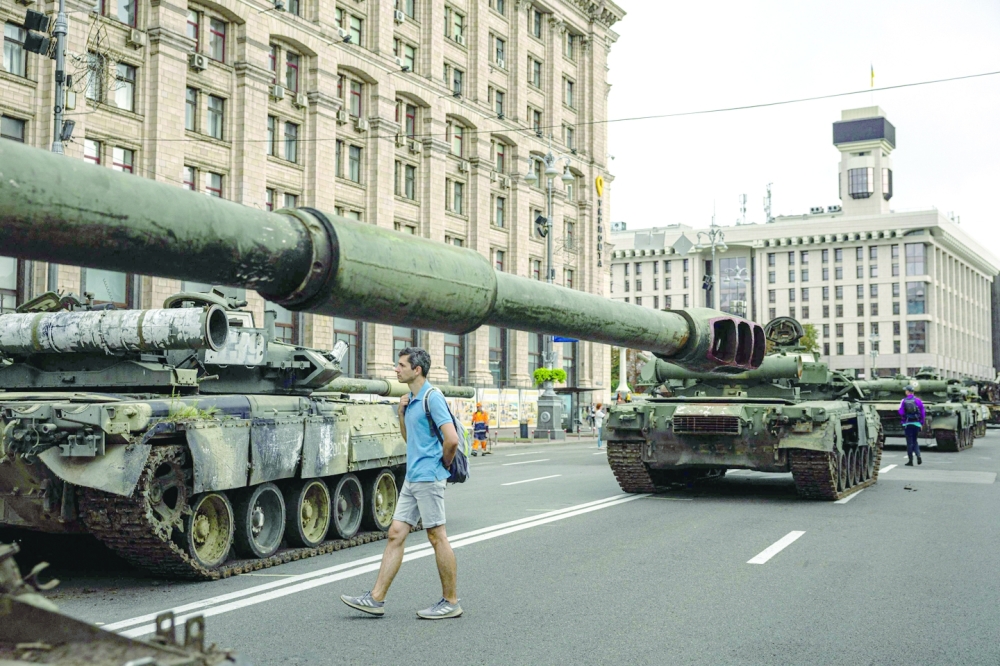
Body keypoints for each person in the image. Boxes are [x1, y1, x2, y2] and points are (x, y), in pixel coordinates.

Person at [341, 347, 463, 620]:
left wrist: (440, 465)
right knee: (395, 533)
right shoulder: (411, 399)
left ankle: (451, 601)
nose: (396, 369)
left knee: (437, 536)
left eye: (401, 365)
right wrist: (400, 413)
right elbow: (412, 441)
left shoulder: (433, 398)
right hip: (412, 477)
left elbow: (451, 439)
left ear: (416, 370)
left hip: (428, 477)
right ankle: (376, 599)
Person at [899, 385, 925, 466]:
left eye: (906, 390)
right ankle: (918, 455)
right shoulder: (918, 400)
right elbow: (923, 413)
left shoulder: (904, 401)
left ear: (908, 392)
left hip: (907, 424)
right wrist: (921, 423)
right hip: (916, 424)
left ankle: (910, 461)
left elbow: (901, 412)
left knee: (909, 442)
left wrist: (904, 418)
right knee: (915, 441)